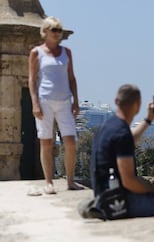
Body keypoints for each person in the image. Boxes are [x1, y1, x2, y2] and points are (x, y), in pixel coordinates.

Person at [90, 84, 154, 226]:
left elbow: (128, 141)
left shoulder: (106, 127)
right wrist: (152, 192)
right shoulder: (121, 133)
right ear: (138, 104)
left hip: (102, 194)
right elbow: (128, 181)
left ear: (116, 101)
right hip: (118, 201)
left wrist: (149, 119)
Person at [28, 16, 82, 194]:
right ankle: (49, 182)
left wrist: (76, 100)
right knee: (46, 142)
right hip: (45, 101)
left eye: (59, 30)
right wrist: (35, 103)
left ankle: (70, 180)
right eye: (54, 30)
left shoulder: (67, 52)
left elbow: (72, 78)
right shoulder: (37, 53)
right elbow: (32, 80)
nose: (57, 33)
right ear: (46, 32)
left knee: (70, 141)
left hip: (64, 101)